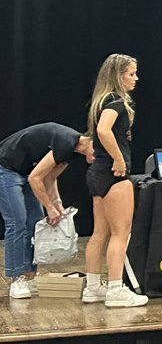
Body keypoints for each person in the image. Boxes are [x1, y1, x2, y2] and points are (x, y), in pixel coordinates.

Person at [82, 54, 148, 307]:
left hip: (97, 173)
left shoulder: (100, 102)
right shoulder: (115, 102)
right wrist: (119, 159)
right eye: (131, 74)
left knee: (100, 233)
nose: (135, 78)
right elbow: (102, 130)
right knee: (121, 233)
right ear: (117, 76)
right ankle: (116, 289)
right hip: (113, 175)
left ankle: (92, 287)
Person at [0, 123, 94, 299]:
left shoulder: (71, 150)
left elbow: (50, 177)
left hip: (26, 170)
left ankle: (29, 275)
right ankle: (16, 277)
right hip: (6, 168)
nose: (99, 158)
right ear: (92, 143)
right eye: (100, 153)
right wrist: (49, 208)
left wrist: (57, 203)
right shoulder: (66, 142)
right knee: (17, 222)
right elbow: (35, 179)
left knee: (35, 222)